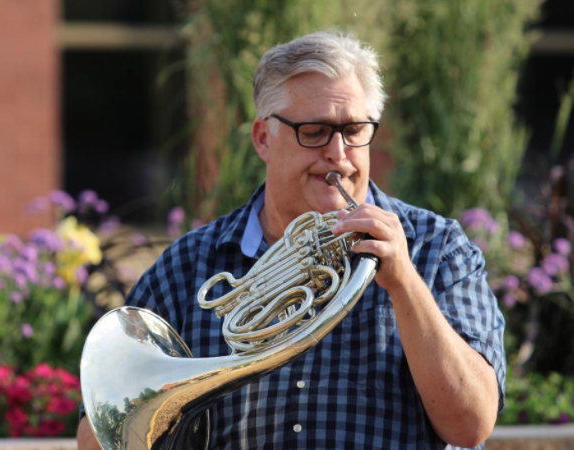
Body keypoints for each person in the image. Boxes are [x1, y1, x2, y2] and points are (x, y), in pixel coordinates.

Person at [77, 30, 505, 450]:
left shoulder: (437, 248)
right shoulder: (188, 266)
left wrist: (405, 284)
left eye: (354, 130)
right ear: (264, 138)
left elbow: (471, 426)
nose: (338, 154)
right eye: (315, 132)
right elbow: (102, 437)